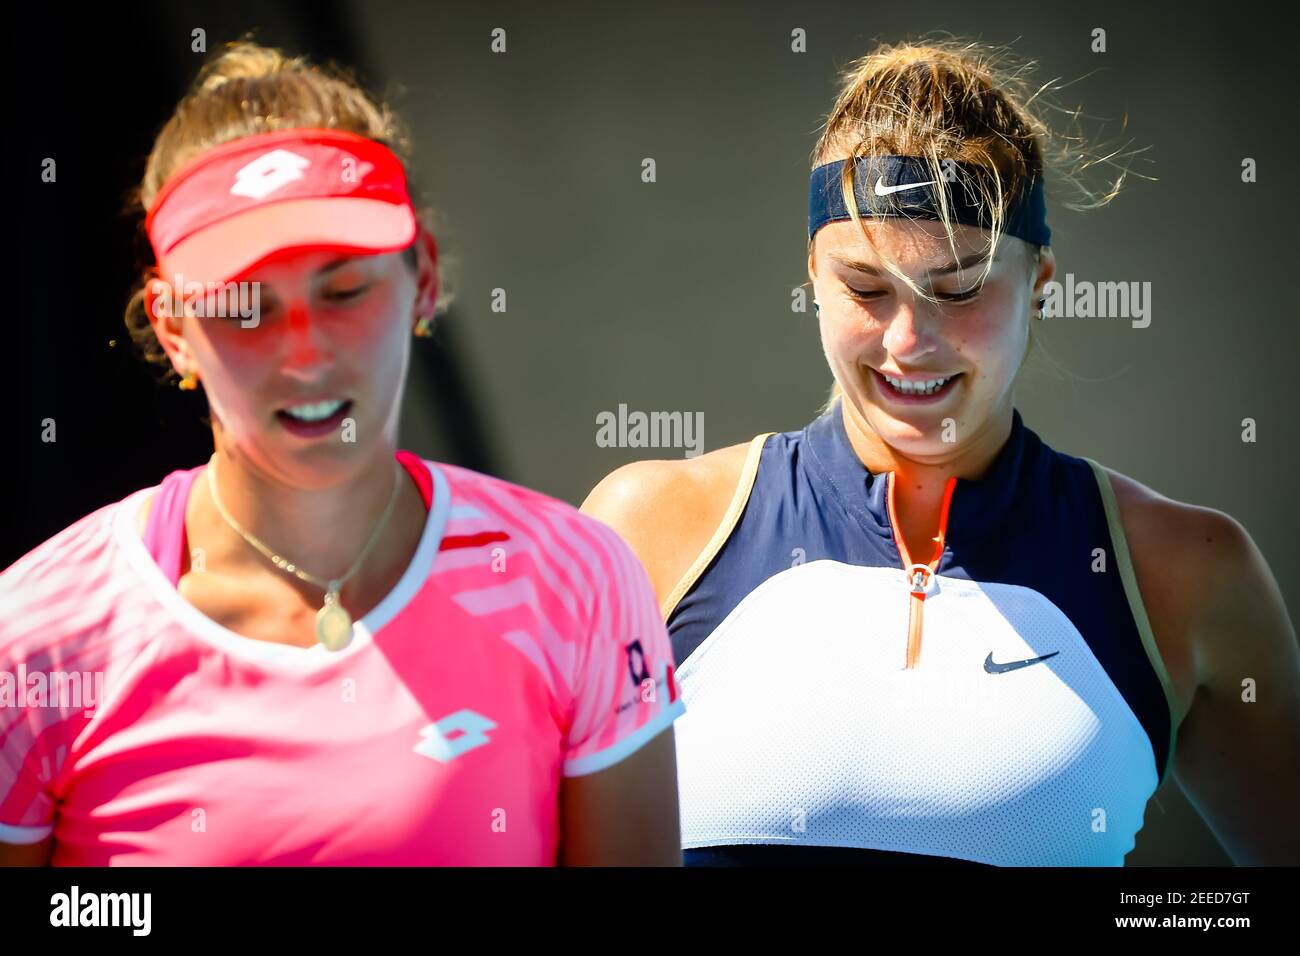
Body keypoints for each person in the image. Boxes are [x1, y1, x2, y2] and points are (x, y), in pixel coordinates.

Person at [582, 39, 1300, 866]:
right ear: (811, 275)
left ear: (1041, 283)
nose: (910, 341)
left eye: (961, 289)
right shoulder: (649, 531)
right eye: (866, 288)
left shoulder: (1184, 571)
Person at [0, 41, 684, 866]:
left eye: (345, 289)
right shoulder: (36, 636)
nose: (307, 353)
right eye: (246, 308)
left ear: (423, 276)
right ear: (174, 327)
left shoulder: (577, 582)